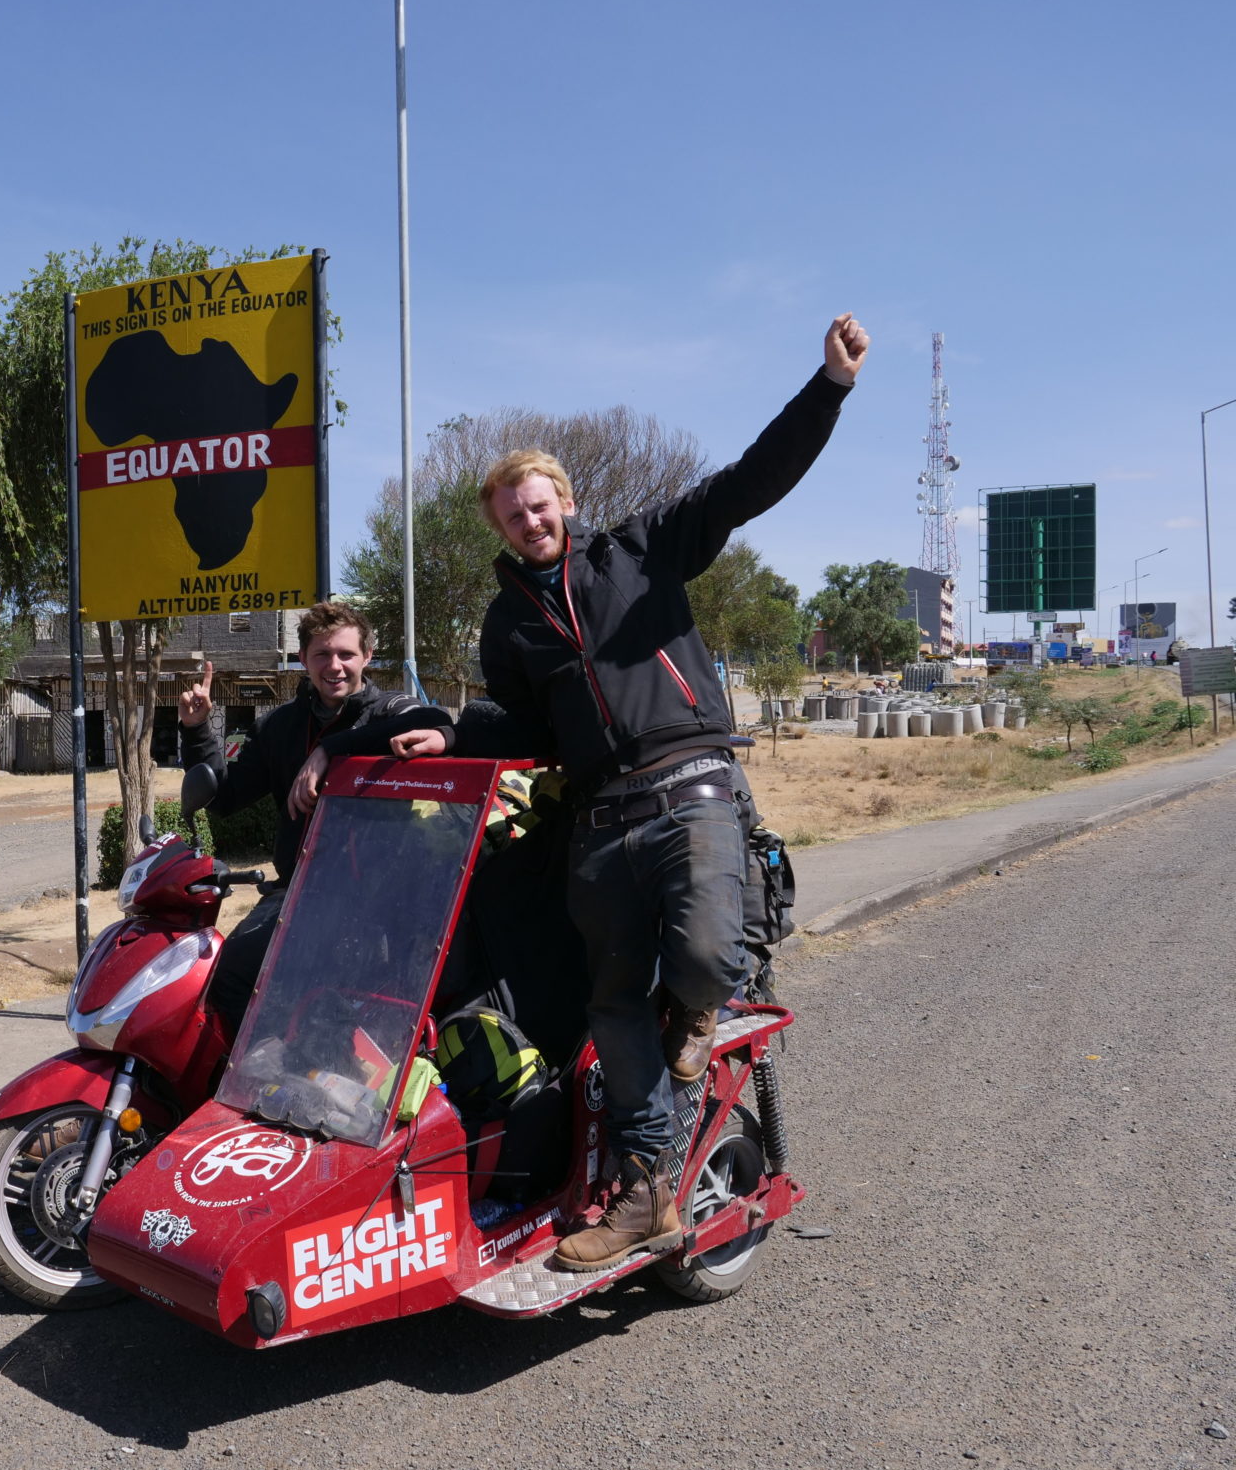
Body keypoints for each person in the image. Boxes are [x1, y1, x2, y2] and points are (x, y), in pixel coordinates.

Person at [388, 314, 870, 1270]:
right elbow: (528, 730)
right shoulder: (506, 627)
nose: (530, 522)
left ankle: (699, 1009)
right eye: (512, 515)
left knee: (704, 954)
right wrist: (455, 732)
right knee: (611, 1006)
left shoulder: (641, 550)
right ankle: (648, 1191)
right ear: (499, 527)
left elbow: (750, 481)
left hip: (692, 783)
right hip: (601, 815)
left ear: (566, 502)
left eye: (539, 505)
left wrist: (829, 388)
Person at [176, 600, 446, 1036]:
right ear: (302, 658)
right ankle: (260, 1069)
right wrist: (197, 730)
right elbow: (224, 797)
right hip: (299, 895)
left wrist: (329, 751)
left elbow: (435, 719)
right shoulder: (280, 726)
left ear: (368, 656)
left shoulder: (388, 709)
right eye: (322, 654)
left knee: (351, 1014)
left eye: (346, 654)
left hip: (376, 906)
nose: (334, 666)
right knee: (228, 977)